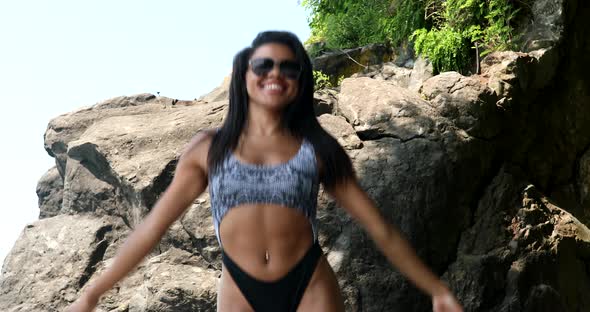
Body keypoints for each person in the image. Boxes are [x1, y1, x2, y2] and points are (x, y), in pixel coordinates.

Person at [67, 30, 463, 312]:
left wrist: (436, 290)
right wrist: (92, 294)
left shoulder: (319, 149)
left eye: (289, 68)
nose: (276, 74)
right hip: (240, 289)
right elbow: (153, 228)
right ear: (245, 74)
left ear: (299, 82)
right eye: (264, 64)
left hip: (309, 284)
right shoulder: (209, 148)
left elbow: (380, 229)